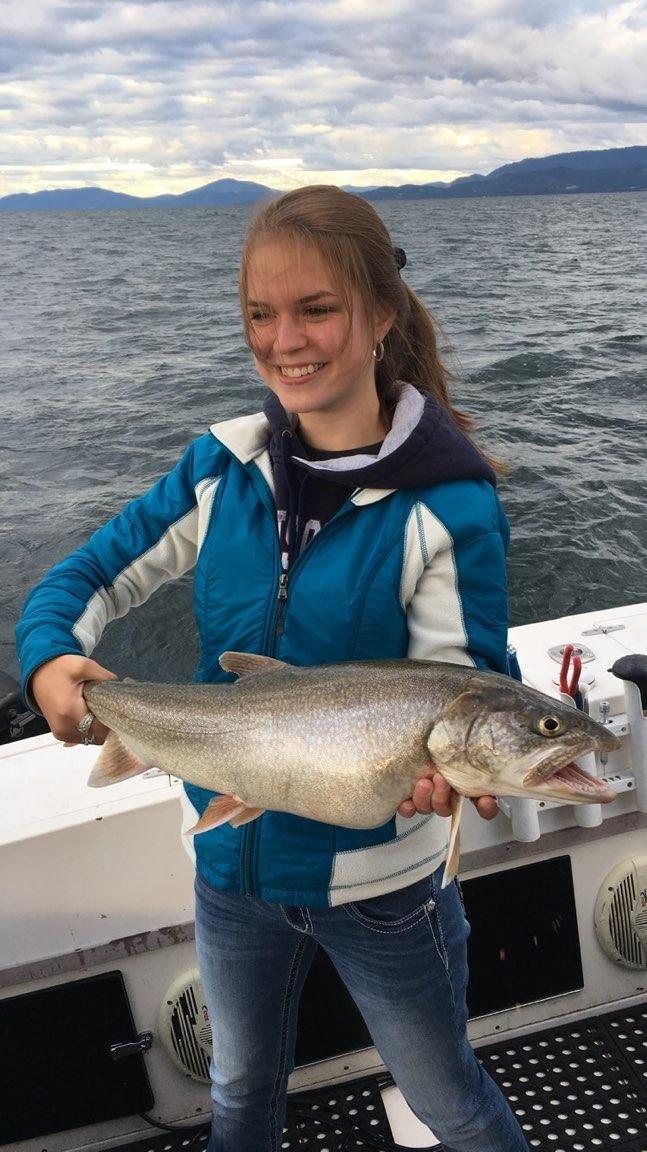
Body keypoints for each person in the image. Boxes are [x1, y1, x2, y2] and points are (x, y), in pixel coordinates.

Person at [16, 185, 528, 1152]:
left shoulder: (448, 506)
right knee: (240, 1089)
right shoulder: (220, 468)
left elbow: (467, 679)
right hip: (230, 867)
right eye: (261, 313)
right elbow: (85, 577)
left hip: (388, 895)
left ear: (380, 314)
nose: (283, 338)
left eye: (316, 308)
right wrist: (49, 657)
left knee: (447, 1097)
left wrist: (439, 780)